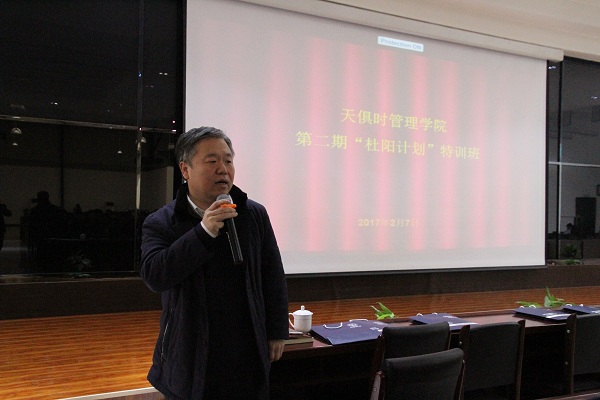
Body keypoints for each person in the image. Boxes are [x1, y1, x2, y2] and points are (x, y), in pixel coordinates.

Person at [140, 126, 289, 399]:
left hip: (246, 351)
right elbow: (155, 275)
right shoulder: (162, 221)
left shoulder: (253, 214)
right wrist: (203, 232)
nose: (223, 169)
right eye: (212, 161)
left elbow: (273, 274)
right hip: (191, 352)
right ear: (185, 170)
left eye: (228, 160)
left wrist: (277, 330)